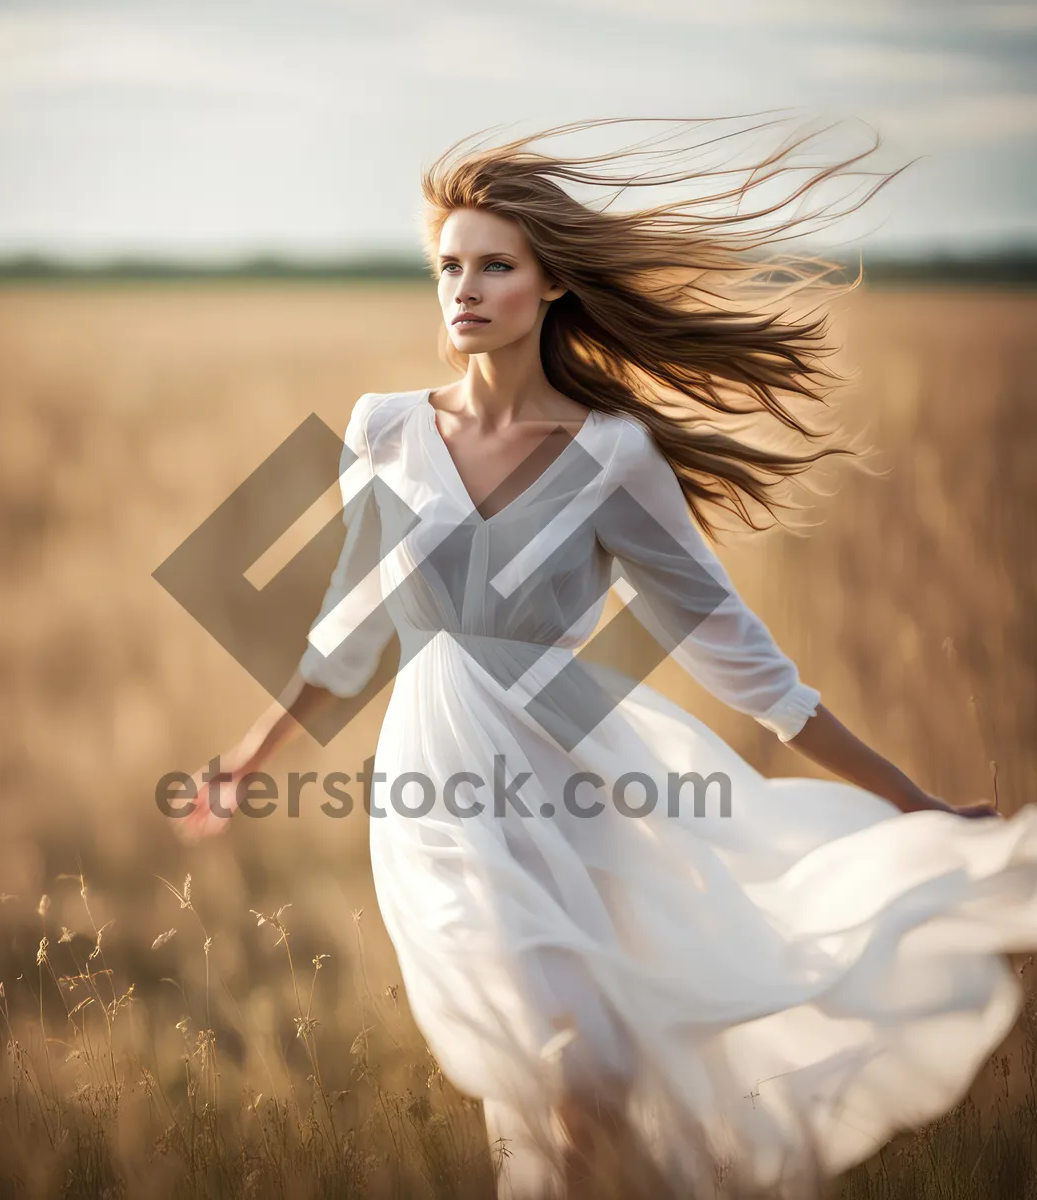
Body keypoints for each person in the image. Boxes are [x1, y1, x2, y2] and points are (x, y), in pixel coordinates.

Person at [170, 117, 1037, 1199]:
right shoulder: (384, 428)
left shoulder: (612, 455)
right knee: (577, 1055)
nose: (464, 289)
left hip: (578, 765)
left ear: (552, 288)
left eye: (495, 266)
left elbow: (740, 657)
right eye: (449, 266)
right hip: (443, 780)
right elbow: (348, 633)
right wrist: (246, 764)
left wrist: (911, 799)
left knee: (607, 1080)